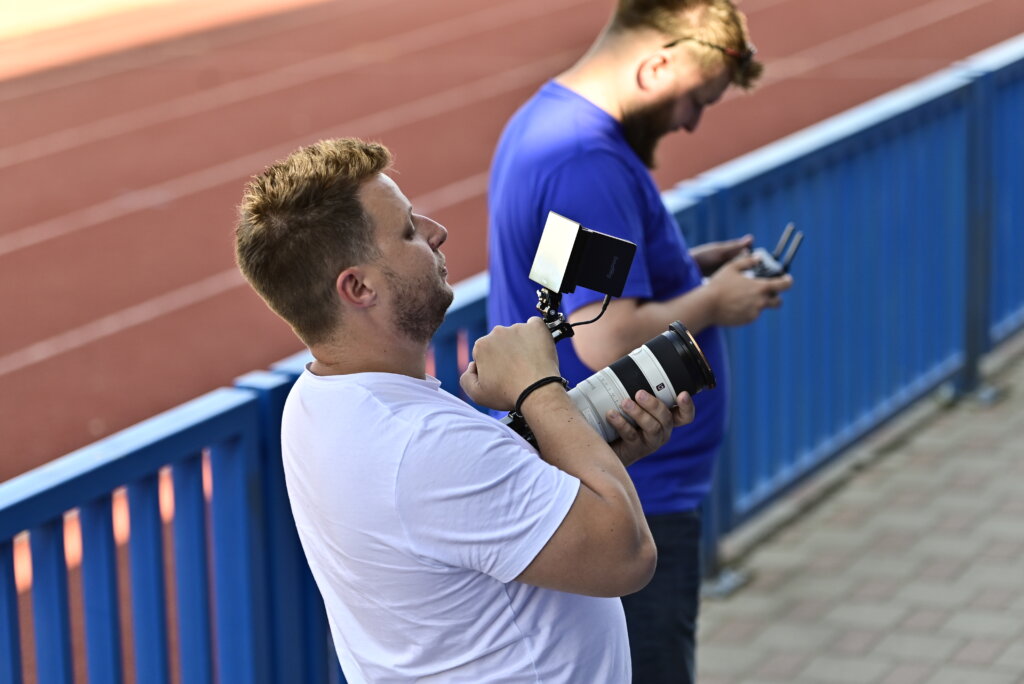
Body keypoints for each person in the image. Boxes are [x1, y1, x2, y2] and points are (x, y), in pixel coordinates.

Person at [234, 137, 697, 682]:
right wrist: (538, 387)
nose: (436, 231)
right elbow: (628, 556)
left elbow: (468, 517)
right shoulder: (422, 444)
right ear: (358, 287)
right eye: (408, 231)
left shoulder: (315, 401)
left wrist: (589, 451)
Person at [486, 1, 794, 681]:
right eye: (696, 100)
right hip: (630, 489)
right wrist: (713, 301)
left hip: (598, 482)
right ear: (656, 67)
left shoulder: (551, 127)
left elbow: (567, 291)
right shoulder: (587, 163)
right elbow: (607, 337)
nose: (691, 122)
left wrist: (682, 271)